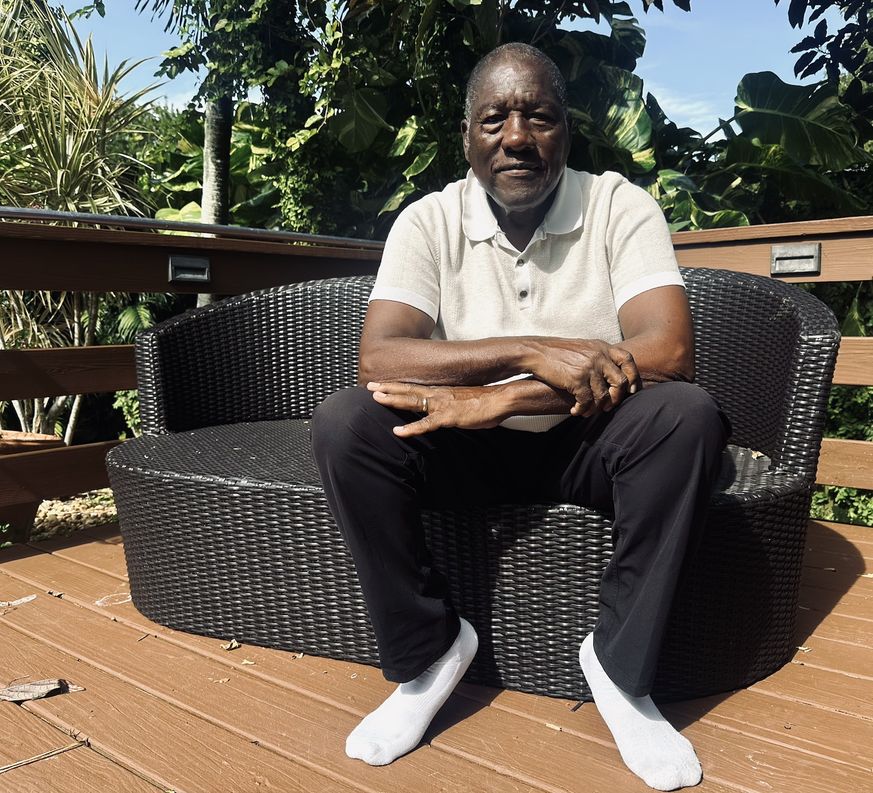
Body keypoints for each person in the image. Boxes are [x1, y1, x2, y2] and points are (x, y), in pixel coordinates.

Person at [311, 42, 730, 791]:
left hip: (589, 438)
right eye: (494, 118)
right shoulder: (428, 220)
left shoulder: (617, 205)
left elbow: (665, 351)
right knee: (347, 423)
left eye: (537, 116)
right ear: (467, 137)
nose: (516, 136)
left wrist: (503, 393)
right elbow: (378, 358)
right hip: (466, 449)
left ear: (564, 131)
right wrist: (535, 351)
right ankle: (427, 655)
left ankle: (618, 669)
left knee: (686, 416)